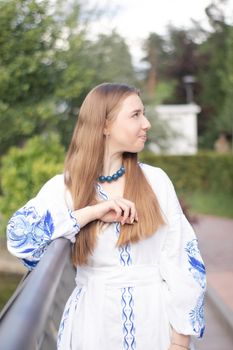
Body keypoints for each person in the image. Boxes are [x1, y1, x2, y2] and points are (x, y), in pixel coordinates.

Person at [7, 83, 206, 350]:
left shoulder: (156, 181)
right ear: (105, 125)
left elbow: (184, 261)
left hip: (155, 324)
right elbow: (21, 241)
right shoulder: (65, 187)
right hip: (92, 326)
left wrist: (180, 342)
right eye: (135, 115)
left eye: (143, 113)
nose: (146, 123)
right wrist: (91, 212)